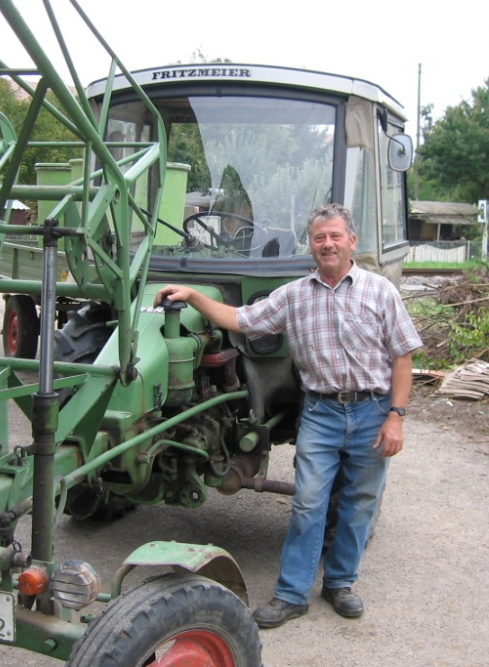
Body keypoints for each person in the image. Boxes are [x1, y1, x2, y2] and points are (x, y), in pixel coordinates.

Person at [155, 203, 422, 627]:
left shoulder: (379, 291)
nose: (328, 244)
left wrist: (397, 416)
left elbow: (402, 357)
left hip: (372, 409)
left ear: (352, 242)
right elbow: (240, 320)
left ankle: (340, 583)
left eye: (336, 236)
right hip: (320, 412)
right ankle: (292, 594)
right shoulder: (295, 295)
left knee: (358, 504)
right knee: (309, 501)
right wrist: (192, 295)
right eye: (320, 238)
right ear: (311, 246)